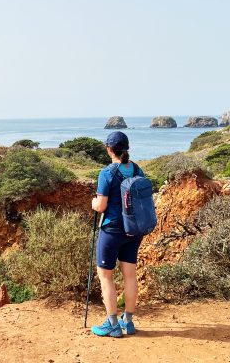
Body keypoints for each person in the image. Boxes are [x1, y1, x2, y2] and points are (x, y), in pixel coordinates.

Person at [90, 131, 145, 337]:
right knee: (130, 275)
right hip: (134, 229)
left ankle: (112, 324)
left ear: (109, 149)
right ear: (127, 148)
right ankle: (128, 322)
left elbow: (101, 205)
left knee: (106, 276)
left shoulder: (107, 173)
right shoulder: (137, 169)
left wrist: (94, 204)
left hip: (112, 230)